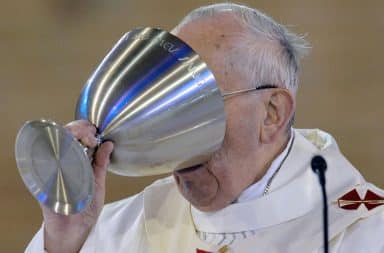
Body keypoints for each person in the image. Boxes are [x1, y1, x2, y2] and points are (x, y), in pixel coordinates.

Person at [25, 3, 384, 253]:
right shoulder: (127, 226)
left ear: (272, 113)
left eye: (195, 101)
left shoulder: (360, 231)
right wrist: (66, 240)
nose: (169, 129)